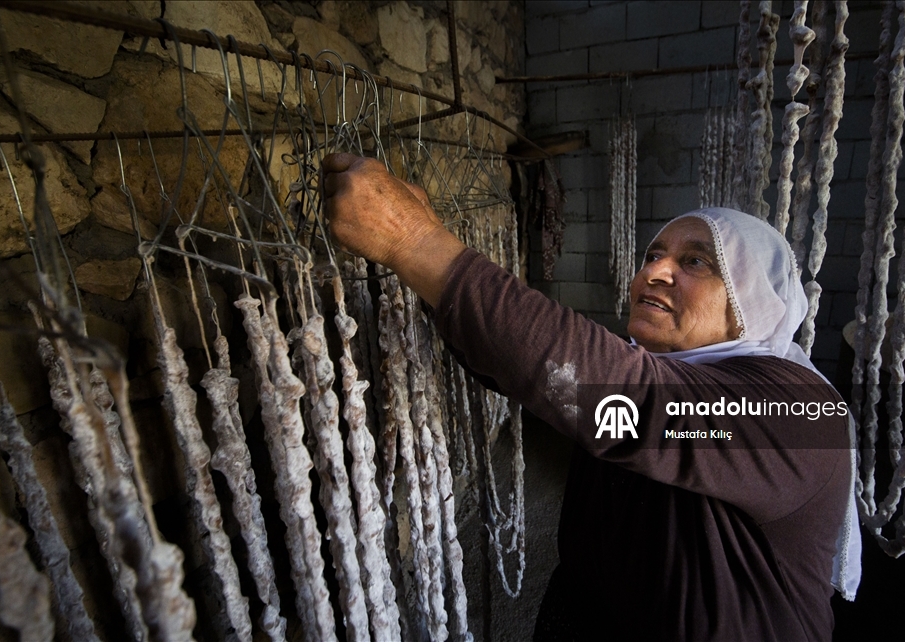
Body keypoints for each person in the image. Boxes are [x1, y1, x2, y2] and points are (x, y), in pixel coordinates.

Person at [321, 153, 860, 641]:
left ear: (755, 302)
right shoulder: (651, 365)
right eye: (653, 255)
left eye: (696, 262)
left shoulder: (796, 411)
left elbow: (636, 405)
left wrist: (415, 242)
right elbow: (529, 372)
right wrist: (424, 271)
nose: (655, 271)